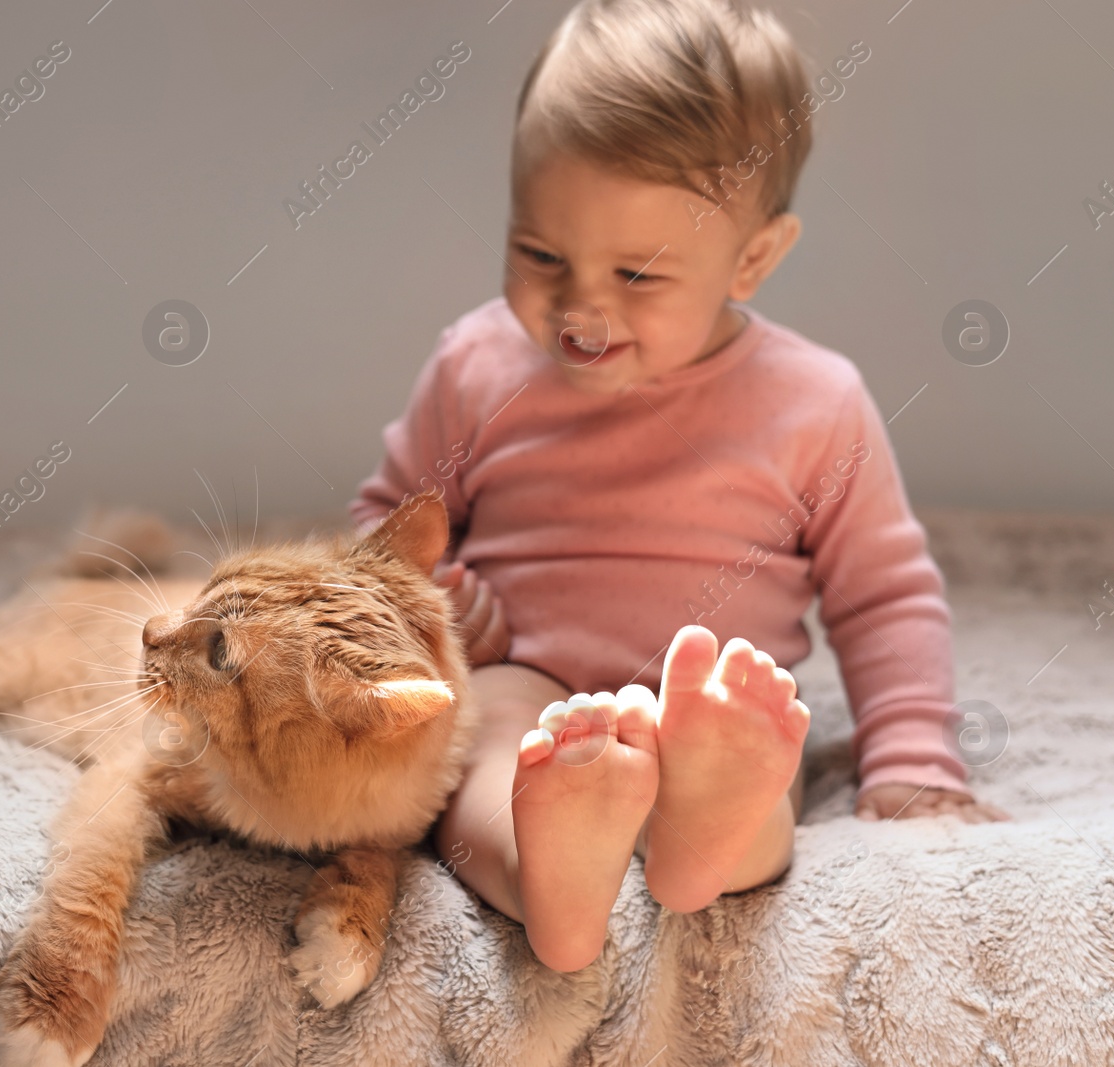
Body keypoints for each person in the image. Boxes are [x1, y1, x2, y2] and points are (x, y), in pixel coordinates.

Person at [350, 0, 1008, 974]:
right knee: (472, 754)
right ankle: (549, 873)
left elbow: (884, 594)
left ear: (751, 256)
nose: (580, 306)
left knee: (747, 755)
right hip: (524, 676)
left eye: (637, 274)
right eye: (539, 255)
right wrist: (429, 597)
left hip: (703, 694)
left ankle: (715, 836)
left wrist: (912, 759)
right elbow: (381, 526)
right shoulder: (474, 365)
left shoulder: (815, 403)